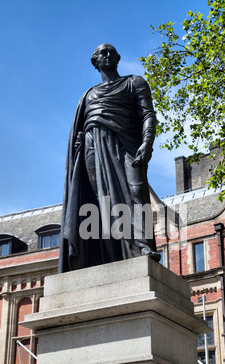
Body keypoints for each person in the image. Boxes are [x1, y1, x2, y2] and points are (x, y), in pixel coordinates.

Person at [58, 44, 160, 272]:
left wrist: (147, 143)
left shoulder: (134, 82)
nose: (107, 55)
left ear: (118, 58)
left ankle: (142, 246)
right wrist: (79, 145)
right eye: (102, 53)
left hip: (128, 146)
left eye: (111, 52)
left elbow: (147, 115)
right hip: (94, 149)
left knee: (136, 191)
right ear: (95, 61)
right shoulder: (88, 96)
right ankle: (109, 255)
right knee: (102, 202)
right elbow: (82, 129)